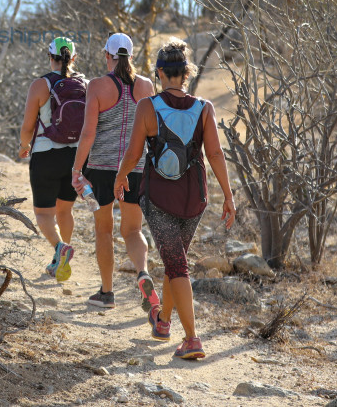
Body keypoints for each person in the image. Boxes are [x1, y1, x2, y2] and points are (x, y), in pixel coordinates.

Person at [114, 39, 236, 360]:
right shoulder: (204, 108)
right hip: (194, 199)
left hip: (159, 198)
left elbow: (133, 153)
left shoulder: (147, 107)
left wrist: (121, 176)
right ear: (186, 73)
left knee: (176, 263)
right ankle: (164, 322)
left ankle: (193, 339)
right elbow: (215, 154)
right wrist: (228, 195)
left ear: (159, 73)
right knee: (174, 259)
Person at [71, 33, 159, 311]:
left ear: (106, 54)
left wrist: (76, 170)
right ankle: (143, 272)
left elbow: (88, 133)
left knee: (103, 230)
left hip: (100, 169)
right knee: (133, 229)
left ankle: (107, 293)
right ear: (130, 56)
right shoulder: (146, 85)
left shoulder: (96, 86)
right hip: (136, 167)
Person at [19, 37, 86, 281]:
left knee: (43, 214)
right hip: (75, 156)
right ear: (74, 58)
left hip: (46, 154)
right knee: (65, 211)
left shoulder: (41, 85)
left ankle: (60, 248)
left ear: (50, 57)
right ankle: (60, 260)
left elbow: (28, 125)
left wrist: (24, 146)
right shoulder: (85, 83)